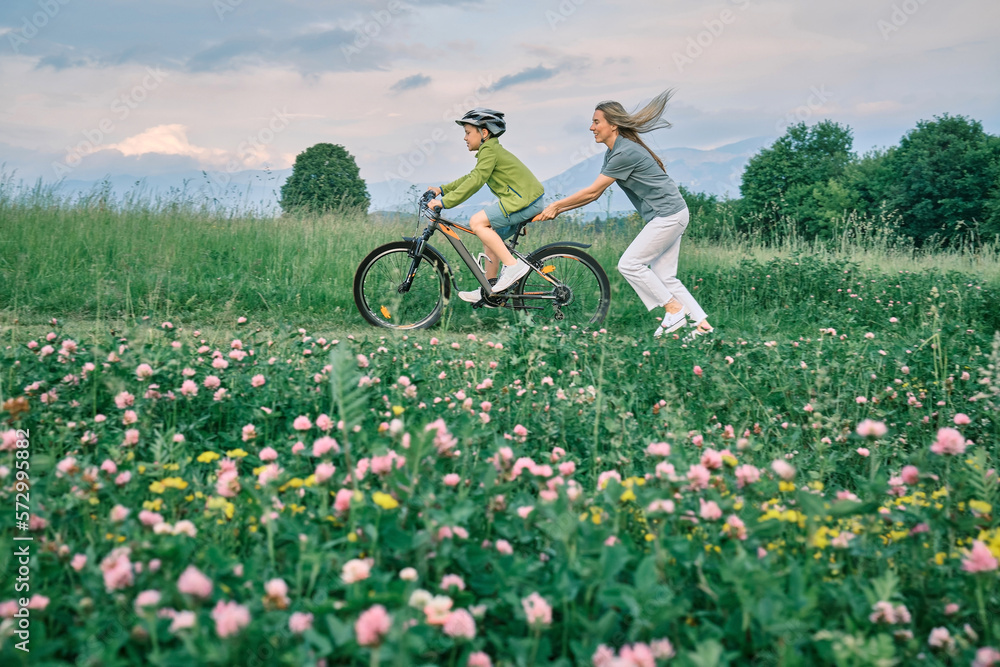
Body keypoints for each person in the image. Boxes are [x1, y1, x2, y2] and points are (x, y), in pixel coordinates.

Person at [535, 90, 713, 339]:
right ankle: (702, 326)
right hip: (673, 213)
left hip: (668, 215)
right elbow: (593, 196)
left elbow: (593, 190)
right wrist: (557, 209)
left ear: (613, 125)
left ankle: (673, 310)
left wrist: (556, 206)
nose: (591, 127)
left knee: (630, 264)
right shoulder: (615, 152)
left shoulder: (624, 153)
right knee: (665, 277)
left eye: (596, 122)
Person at [427, 109, 545, 303]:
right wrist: (442, 189)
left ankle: (513, 266)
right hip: (525, 200)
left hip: (526, 201)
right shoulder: (489, 151)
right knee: (490, 236)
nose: (464, 138)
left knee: (477, 222)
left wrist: (443, 202)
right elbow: (472, 176)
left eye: (467, 132)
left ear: (484, 133)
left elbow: (476, 182)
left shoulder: (490, 150)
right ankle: (490, 291)